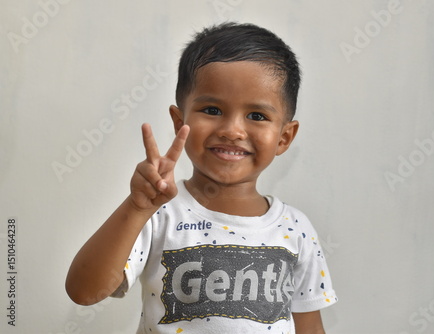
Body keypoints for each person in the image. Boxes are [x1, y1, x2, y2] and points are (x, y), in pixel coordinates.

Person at [66, 22, 338, 334]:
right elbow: (85, 292)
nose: (232, 131)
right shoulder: (158, 213)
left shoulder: (297, 229)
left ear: (283, 137)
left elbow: (310, 327)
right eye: (212, 109)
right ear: (179, 121)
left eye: (257, 116)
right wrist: (136, 208)